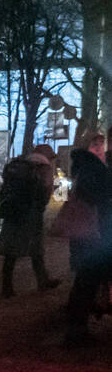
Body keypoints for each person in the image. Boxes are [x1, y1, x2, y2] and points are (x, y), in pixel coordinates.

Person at [65, 131, 111, 345]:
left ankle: (77, 326)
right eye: (94, 143)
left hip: (91, 232)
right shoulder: (92, 167)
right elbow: (96, 197)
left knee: (86, 280)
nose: (99, 146)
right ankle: (76, 331)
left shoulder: (88, 165)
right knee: (87, 280)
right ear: (86, 145)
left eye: (101, 142)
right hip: (94, 233)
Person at [0, 144, 60, 298]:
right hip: (32, 213)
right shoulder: (44, 167)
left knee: (10, 251)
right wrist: (39, 207)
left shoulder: (19, 165)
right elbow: (46, 192)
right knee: (36, 249)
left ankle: (7, 288)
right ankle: (43, 281)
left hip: (12, 212)